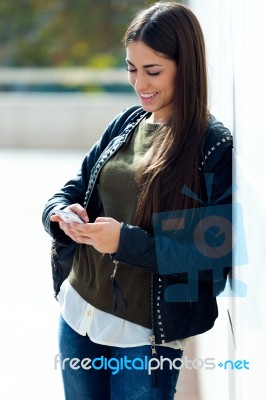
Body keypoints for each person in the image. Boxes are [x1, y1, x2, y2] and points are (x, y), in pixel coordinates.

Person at [42, 2, 232, 399]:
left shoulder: (212, 146)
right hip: (79, 314)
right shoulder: (127, 122)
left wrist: (123, 243)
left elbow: (211, 252)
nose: (139, 83)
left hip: (144, 338)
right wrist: (59, 213)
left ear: (186, 66)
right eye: (131, 68)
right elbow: (72, 188)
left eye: (153, 71)